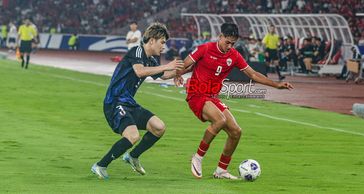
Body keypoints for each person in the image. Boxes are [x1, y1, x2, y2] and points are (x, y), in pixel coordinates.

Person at [174, 23, 293, 180]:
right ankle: (198, 157)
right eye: (227, 42)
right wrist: (177, 74)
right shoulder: (205, 48)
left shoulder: (234, 55)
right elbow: (186, 64)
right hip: (196, 94)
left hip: (212, 98)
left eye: (233, 43)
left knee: (236, 132)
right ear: (220, 36)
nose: (229, 46)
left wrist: (276, 85)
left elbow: (253, 74)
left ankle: (221, 170)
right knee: (220, 120)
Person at [91, 23, 184, 179]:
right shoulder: (137, 50)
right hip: (115, 102)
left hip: (128, 102)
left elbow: (163, 75)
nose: (164, 47)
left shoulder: (151, 59)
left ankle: (132, 156)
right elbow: (140, 71)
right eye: (162, 42)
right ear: (152, 40)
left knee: (159, 127)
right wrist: (167, 66)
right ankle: (100, 165)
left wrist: (180, 71)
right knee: (133, 136)